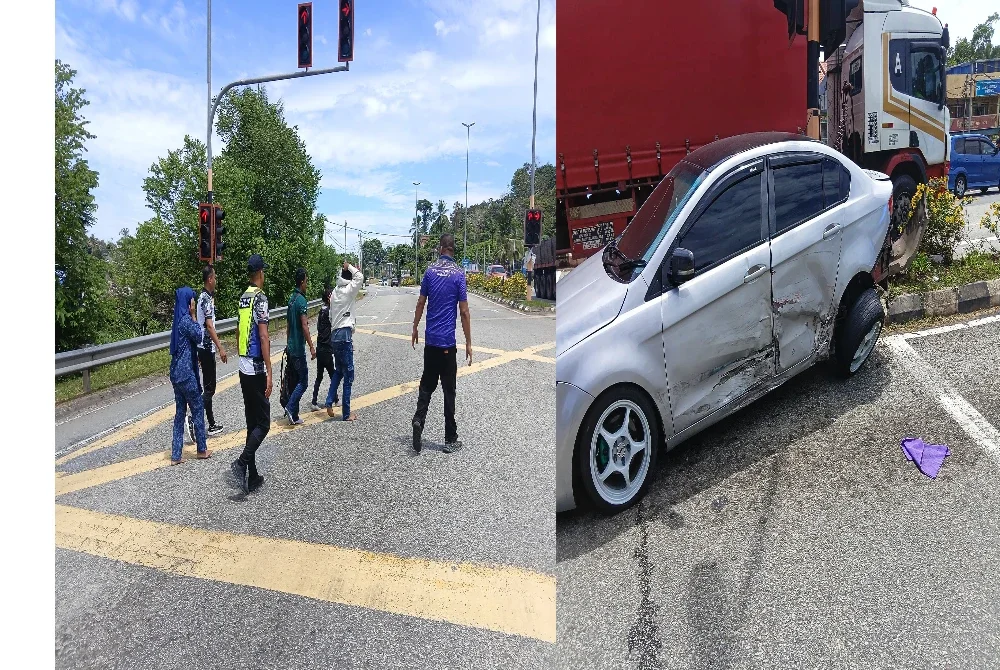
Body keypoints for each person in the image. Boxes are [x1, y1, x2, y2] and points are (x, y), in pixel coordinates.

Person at [411, 234, 472, 453]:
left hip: (431, 342)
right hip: (448, 343)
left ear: (440, 249)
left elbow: (420, 302)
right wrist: (469, 343)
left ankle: (419, 419)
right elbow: (464, 312)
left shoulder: (429, 271)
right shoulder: (458, 275)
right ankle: (450, 438)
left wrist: (415, 327)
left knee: (427, 384)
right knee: (449, 390)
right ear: (453, 250)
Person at [231, 254, 271, 494]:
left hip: (242, 366)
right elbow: (264, 336)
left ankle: (252, 476)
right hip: (255, 367)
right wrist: (269, 371)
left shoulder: (244, 297)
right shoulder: (260, 298)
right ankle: (242, 462)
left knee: (251, 422)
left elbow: (238, 332)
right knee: (264, 423)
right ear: (260, 273)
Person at [169, 286, 212, 465]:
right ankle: (202, 449)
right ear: (188, 302)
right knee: (197, 408)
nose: (193, 302)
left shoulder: (177, 321)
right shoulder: (186, 320)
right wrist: (194, 314)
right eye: (192, 299)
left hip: (176, 374)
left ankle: (176, 455)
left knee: (180, 413)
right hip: (187, 374)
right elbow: (199, 335)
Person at [326, 261, 364, 421]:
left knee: (338, 371)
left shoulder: (334, 292)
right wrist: (349, 266)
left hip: (334, 335)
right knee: (349, 374)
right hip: (345, 334)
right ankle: (347, 413)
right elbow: (360, 276)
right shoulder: (349, 290)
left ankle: (329, 401)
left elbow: (330, 316)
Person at [194, 264, 228, 437]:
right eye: (214, 277)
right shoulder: (206, 299)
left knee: (208, 388)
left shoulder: (202, 297)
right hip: (207, 347)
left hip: (202, 347)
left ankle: (211, 424)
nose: (216, 280)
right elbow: (209, 325)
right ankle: (194, 419)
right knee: (210, 389)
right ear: (209, 279)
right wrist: (220, 348)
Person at [284, 267, 316, 425]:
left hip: (291, 347)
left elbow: (288, 325)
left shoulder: (291, 298)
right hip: (298, 349)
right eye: (307, 280)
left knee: (295, 380)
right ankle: (290, 408)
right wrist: (311, 346)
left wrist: (288, 342)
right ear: (302, 281)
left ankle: (294, 416)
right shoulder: (301, 300)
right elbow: (304, 325)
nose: (307, 284)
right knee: (303, 382)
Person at [311, 285, 336, 411]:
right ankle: (335, 400)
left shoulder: (322, 310)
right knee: (333, 374)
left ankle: (314, 401)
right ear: (328, 297)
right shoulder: (328, 312)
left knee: (319, 376)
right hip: (326, 348)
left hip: (320, 347)